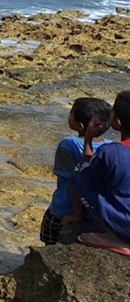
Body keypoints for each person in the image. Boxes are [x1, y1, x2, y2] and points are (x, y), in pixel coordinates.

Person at [40, 97, 112, 245]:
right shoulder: (111, 147)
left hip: (63, 210)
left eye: (71, 113)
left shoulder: (68, 144)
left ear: (79, 125)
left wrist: (76, 213)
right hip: (95, 214)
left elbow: (71, 180)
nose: (68, 116)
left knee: (50, 243)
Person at [74, 90, 130, 255]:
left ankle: (117, 238)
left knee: (77, 176)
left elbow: (86, 175)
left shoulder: (111, 152)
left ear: (118, 122)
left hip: (126, 228)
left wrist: (88, 139)